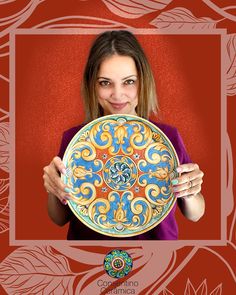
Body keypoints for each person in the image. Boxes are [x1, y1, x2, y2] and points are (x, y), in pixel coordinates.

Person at [43, 30, 205, 240]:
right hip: (88, 260)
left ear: (143, 81)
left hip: (158, 261)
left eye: (129, 82)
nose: (117, 94)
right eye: (105, 82)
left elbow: (195, 214)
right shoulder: (76, 140)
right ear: (92, 84)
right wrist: (53, 189)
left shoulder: (167, 138)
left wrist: (191, 192)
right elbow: (59, 219)